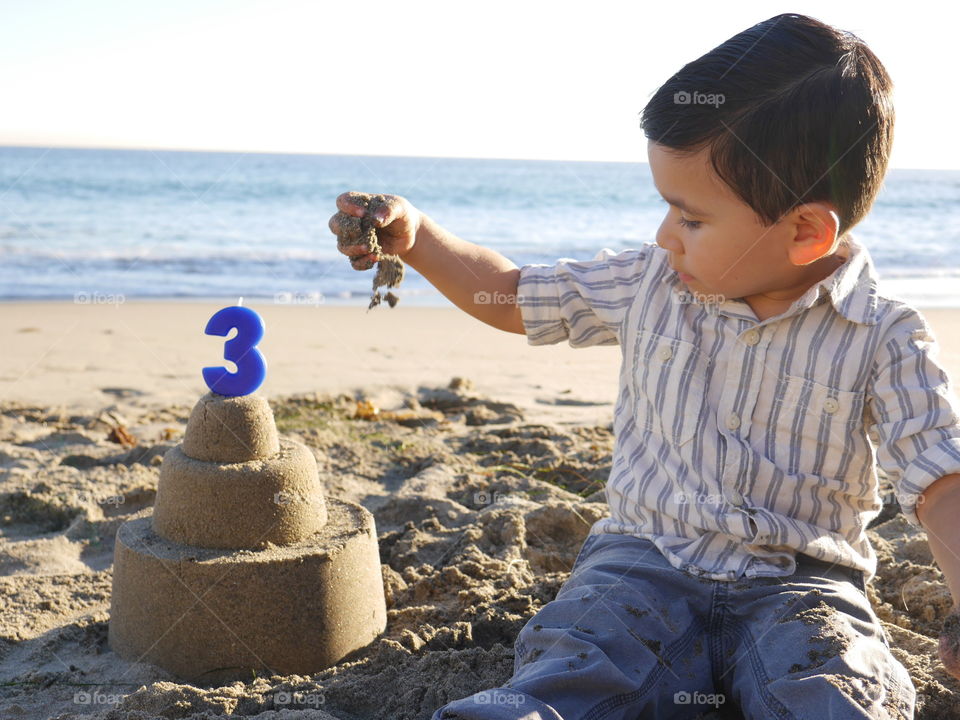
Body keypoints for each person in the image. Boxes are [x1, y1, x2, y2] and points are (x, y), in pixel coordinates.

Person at [329, 13, 960, 719]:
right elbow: (510, 296)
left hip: (802, 584)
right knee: (582, 663)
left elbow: (938, 484)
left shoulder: (883, 334)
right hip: (642, 563)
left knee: (837, 688)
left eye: (690, 218)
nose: (666, 235)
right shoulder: (647, 283)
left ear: (806, 231)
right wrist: (416, 239)